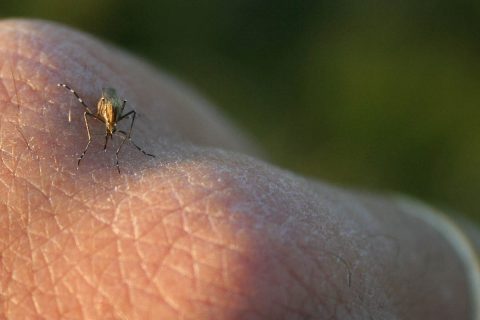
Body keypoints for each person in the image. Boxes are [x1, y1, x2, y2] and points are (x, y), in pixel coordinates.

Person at [1, 19, 478, 320]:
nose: (106, 130)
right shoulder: (98, 116)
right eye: (105, 128)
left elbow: (117, 115)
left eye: (108, 128)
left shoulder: (115, 118)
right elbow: (98, 112)